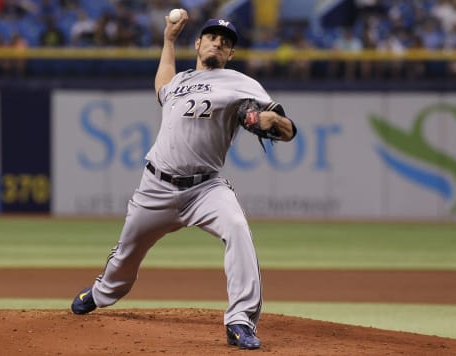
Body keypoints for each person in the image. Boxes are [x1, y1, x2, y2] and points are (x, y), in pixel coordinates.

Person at [70, 10, 297, 350]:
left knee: (237, 228)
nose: (218, 43)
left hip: (206, 188)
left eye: (225, 42)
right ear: (198, 42)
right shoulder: (180, 81)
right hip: (156, 187)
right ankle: (102, 294)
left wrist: (268, 121)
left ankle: (239, 320)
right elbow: (162, 86)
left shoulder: (241, 83)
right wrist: (168, 40)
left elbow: (288, 128)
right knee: (125, 257)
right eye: (212, 37)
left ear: (230, 54)